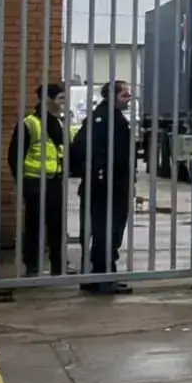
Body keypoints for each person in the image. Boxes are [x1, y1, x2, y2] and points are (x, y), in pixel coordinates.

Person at [71, 78, 136, 295]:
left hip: (111, 186)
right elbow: (83, 149)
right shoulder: (103, 119)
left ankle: (99, 276)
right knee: (106, 233)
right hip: (106, 188)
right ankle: (101, 278)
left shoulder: (108, 118)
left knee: (106, 232)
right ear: (111, 96)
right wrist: (102, 175)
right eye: (125, 94)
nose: (129, 98)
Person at [8, 82, 69, 277]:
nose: (64, 103)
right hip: (35, 181)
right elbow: (14, 156)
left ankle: (58, 266)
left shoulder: (59, 121)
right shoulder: (30, 123)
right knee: (34, 225)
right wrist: (23, 182)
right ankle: (32, 266)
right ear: (47, 100)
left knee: (57, 225)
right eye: (60, 99)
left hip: (55, 180)